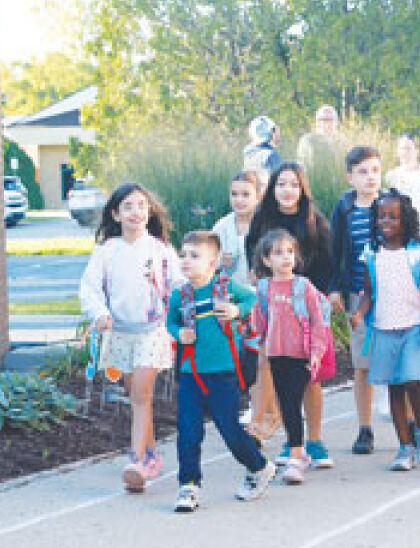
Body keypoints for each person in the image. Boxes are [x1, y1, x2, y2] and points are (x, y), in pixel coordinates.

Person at [79, 182, 183, 492]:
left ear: (149, 211)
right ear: (116, 213)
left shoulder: (161, 250)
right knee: (139, 398)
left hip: (152, 332)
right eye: (128, 206)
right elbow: (89, 287)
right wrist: (98, 313)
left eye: (141, 205)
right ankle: (151, 456)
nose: (136, 212)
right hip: (119, 334)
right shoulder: (107, 251)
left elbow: (178, 285)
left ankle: (136, 460)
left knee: (140, 396)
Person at [166, 231, 275, 512]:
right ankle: (188, 485)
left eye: (194, 256)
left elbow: (251, 299)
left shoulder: (225, 287)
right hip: (191, 374)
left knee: (229, 429)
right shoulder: (180, 295)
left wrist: (235, 310)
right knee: (188, 431)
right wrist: (180, 333)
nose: (186, 260)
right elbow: (170, 322)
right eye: (183, 255)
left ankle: (259, 466)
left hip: (224, 373)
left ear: (213, 263)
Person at [245, 162, 335, 468]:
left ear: (302, 189)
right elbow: (254, 253)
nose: (288, 190)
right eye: (282, 184)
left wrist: (321, 300)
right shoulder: (262, 218)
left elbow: (327, 261)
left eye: (294, 184)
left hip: (306, 306)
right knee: (276, 373)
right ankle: (288, 438)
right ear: (273, 188)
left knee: (311, 376)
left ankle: (315, 440)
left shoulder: (314, 221)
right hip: (275, 304)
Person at [349, 190, 420, 470]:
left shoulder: (416, 253)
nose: (386, 221)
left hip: (413, 326)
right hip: (383, 328)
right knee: (394, 387)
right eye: (381, 216)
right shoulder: (371, 253)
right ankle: (404, 447)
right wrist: (360, 312)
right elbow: (368, 292)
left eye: (393, 217)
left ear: (405, 220)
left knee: (413, 380)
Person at [251, 229, 331, 485]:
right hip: (276, 354)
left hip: (301, 355)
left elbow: (318, 321)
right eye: (278, 253)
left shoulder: (302, 286)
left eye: (289, 252)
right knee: (286, 402)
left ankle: (297, 453)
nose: (285, 258)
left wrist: (316, 352)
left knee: (293, 400)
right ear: (266, 260)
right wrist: (254, 343)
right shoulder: (263, 288)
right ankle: (296, 446)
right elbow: (258, 322)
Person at [214, 170, 278, 439]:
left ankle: (264, 413)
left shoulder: (265, 225)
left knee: (263, 359)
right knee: (246, 361)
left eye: (245, 194)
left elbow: (279, 256)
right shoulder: (221, 227)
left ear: (258, 195)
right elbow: (207, 264)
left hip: (263, 299)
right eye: (234, 194)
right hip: (234, 304)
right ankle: (266, 411)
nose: (239, 200)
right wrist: (220, 263)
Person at [329, 145, 383, 455]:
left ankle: (414, 425)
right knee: (362, 364)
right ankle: (365, 427)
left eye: (374, 170)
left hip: (392, 295)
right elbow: (336, 251)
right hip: (357, 294)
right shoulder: (344, 209)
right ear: (350, 177)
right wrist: (335, 287)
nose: (370, 177)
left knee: (396, 362)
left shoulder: (392, 203)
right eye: (362, 172)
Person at [384, 133, 420, 260]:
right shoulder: (391, 175)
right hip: (397, 232)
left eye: (409, 148)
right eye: (402, 148)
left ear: (416, 150)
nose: (405, 152)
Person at [297, 105, 347, 177]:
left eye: (330, 119)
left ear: (337, 122)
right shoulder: (308, 141)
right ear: (317, 123)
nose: (326, 123)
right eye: (322, 119)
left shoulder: (342, 141)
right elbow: (303, 167)